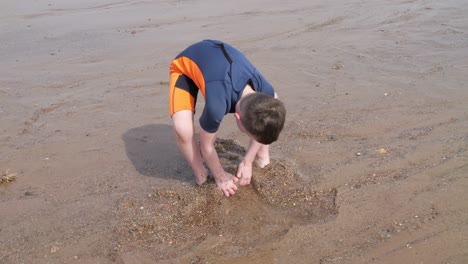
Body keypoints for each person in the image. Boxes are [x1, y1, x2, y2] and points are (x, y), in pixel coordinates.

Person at [169, 40, 286, 197]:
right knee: (183, 130)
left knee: (268, 117)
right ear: (237, 117)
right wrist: (220, 176)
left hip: (219, 64)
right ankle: (200, 173)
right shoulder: (216, 106)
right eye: (249, 134)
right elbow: (207, 147)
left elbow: (267, 114)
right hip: (186, 65)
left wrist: (247, 161)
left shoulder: (267, 93)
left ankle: (261, 156)